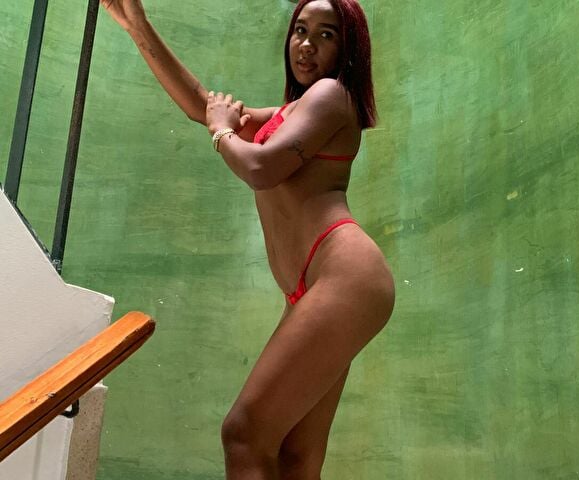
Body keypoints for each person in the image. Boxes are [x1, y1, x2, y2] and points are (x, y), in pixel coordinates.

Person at [100, 0, 395, 478]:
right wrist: (138, 25)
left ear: (349, 49)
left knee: (244, 433)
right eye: (300, 30)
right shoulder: (293, 111)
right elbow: (202, 105)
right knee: (296, 457)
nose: (306, 44)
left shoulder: (332, 96)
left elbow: (261, 167)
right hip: (317, 287)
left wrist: (222, 132)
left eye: (326, 35)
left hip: (344, 276)